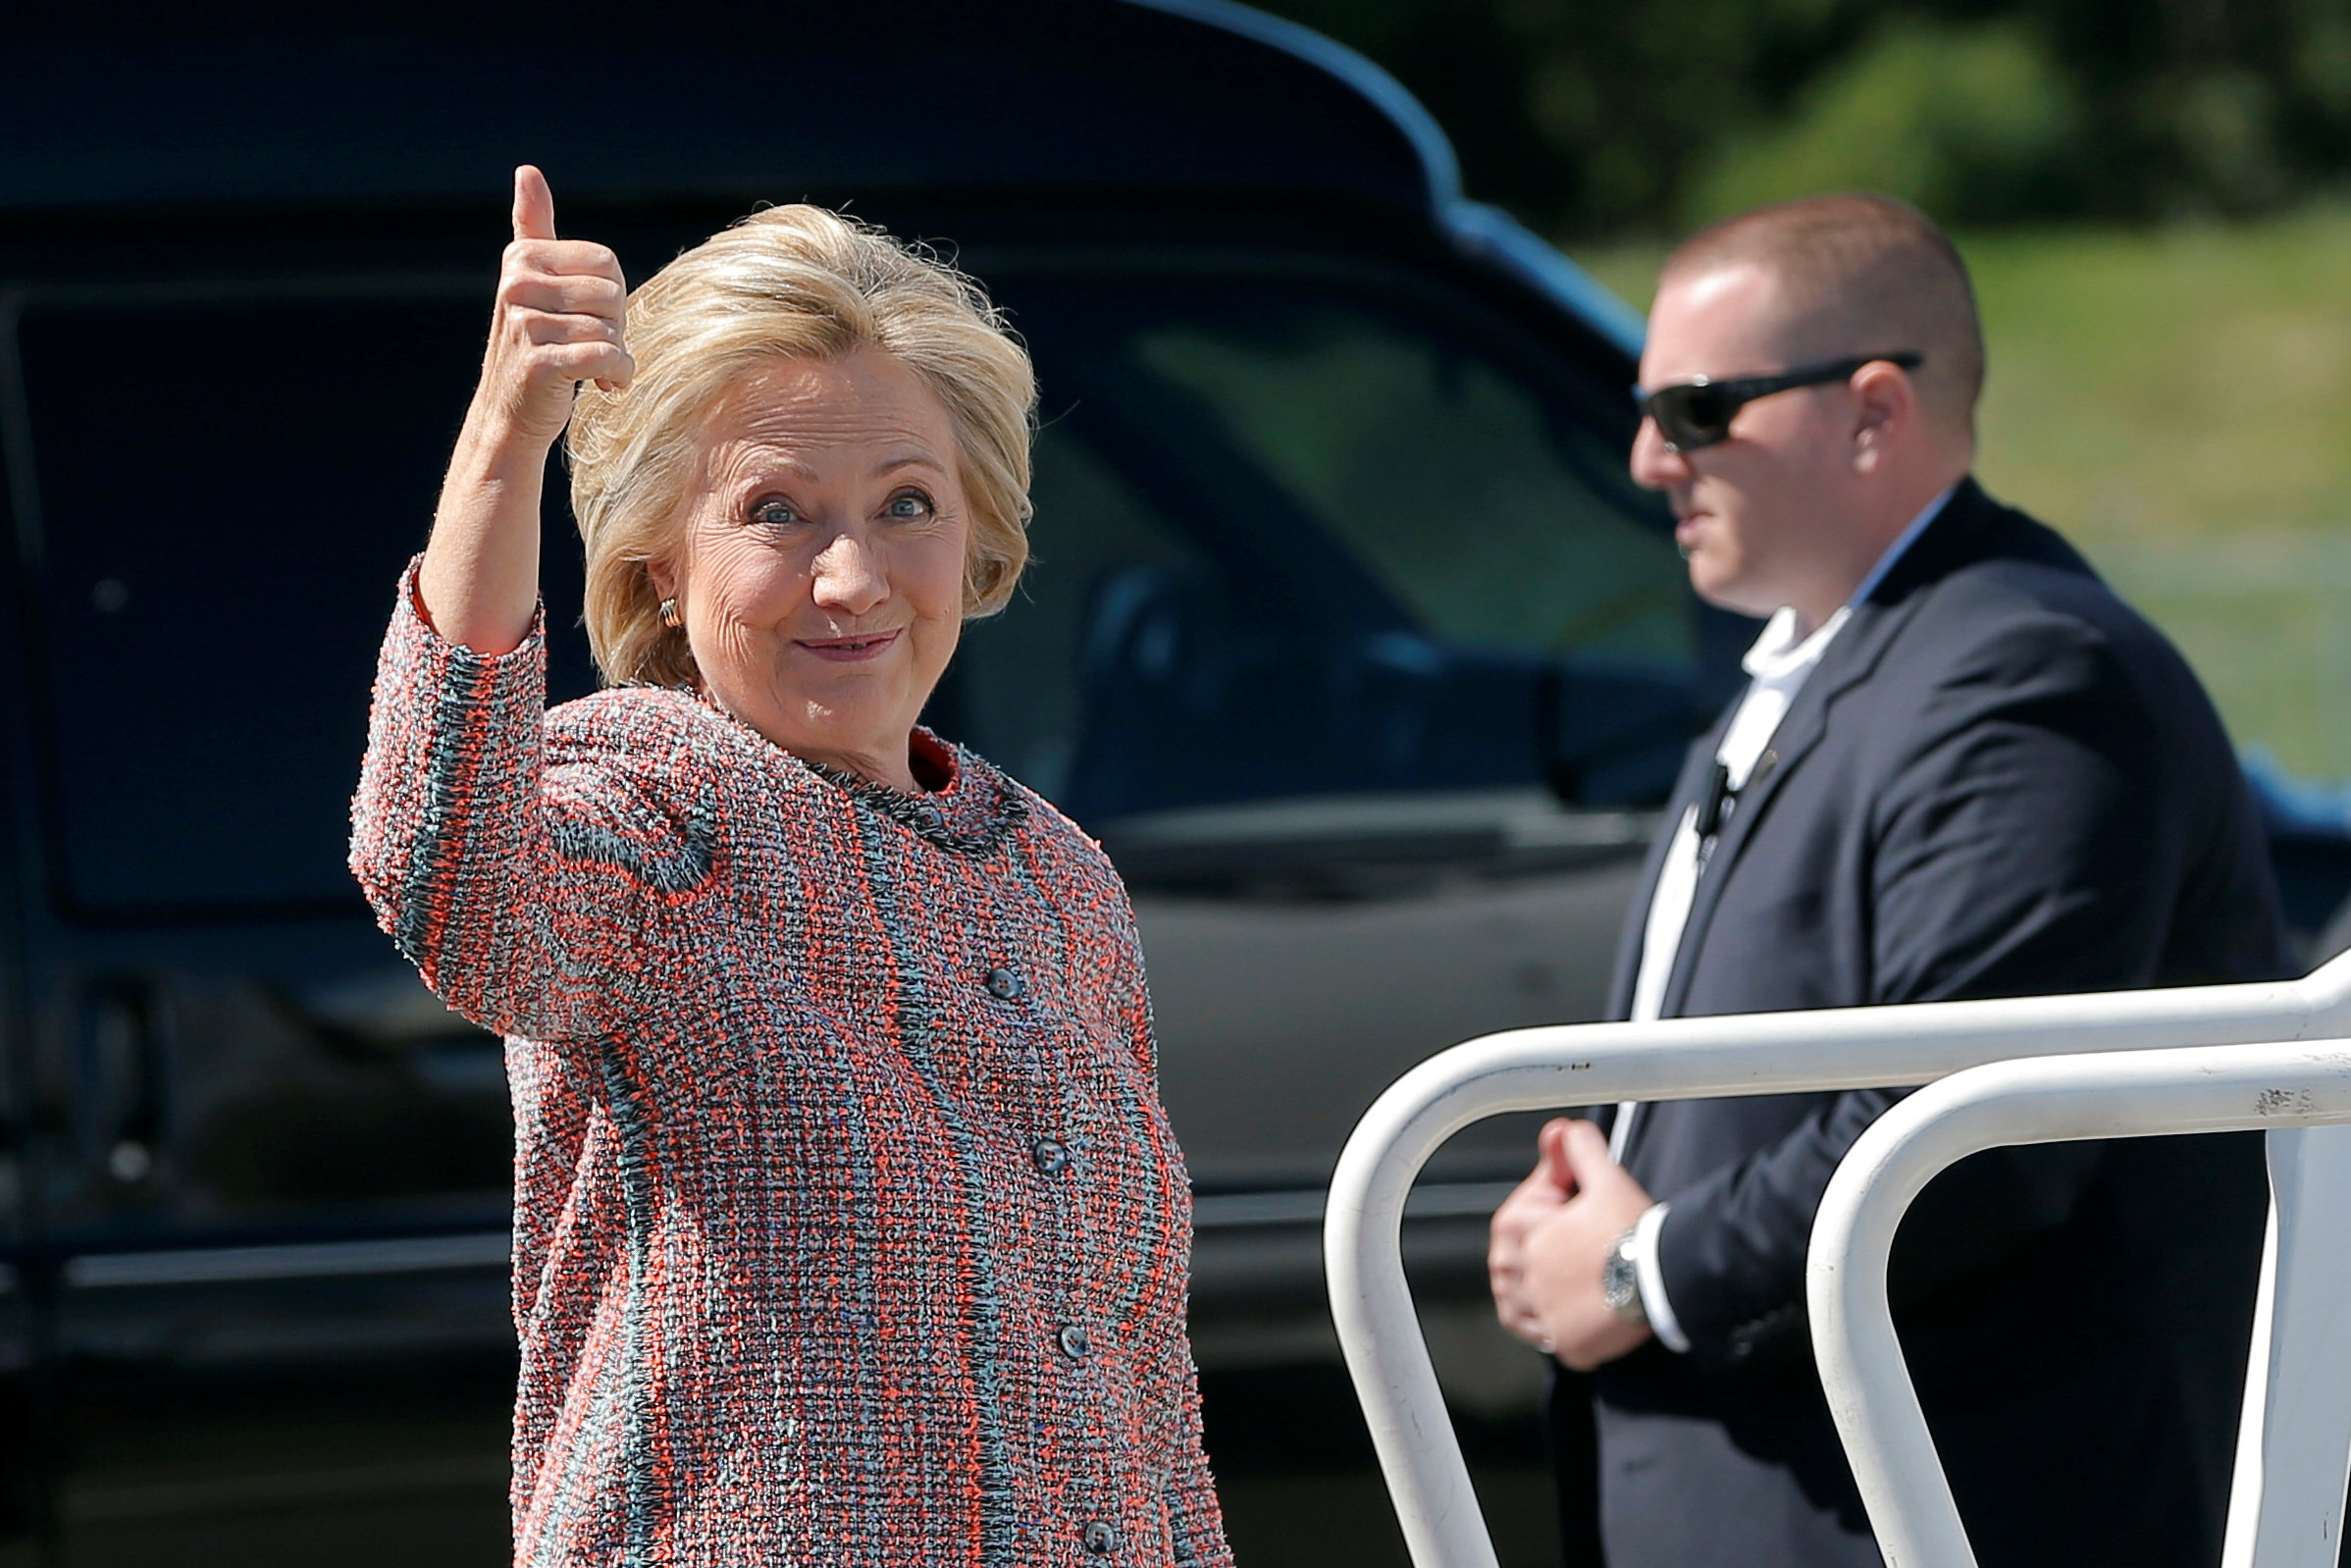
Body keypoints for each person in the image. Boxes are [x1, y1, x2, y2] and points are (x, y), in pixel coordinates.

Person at [349, 166, 1231, 1567]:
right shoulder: (646, 801)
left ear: (981, 530)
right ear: (653, 566)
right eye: (776, 510)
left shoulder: (1059, 876)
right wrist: (505, 441)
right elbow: (449, 878)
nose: (852, 577)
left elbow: (1140, 1388)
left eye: (905, 504)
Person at [1487, 192, 2285, 1568]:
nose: (1646, 459)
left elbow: (1965, 1123)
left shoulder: (2026, 674)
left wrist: (1646, 1268)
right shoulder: (1834, 656)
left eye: (1694, 410)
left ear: (1870, 412)